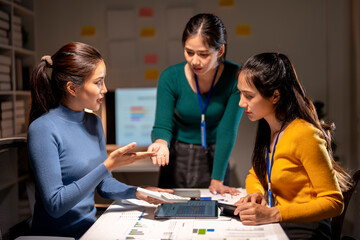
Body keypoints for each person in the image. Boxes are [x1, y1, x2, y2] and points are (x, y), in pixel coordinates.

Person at [27, 42, 172, 239]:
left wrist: (138, 191)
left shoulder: (93, 122)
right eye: (98, 82)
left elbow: (104, 184)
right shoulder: (43, 129)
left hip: (91, 230)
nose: (104, 89)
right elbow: (55, 204)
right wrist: (108, 165)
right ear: (72, 88)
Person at [234, 52, 352, 239]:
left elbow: (334, 202)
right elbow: (256, 172)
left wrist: (274, 213)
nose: (241, 103)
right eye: (240, 94)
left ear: (275, 96)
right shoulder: (270, 128)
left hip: (307, 230)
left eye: (248, 96)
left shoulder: (304, 134)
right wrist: (256, 193)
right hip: (282, 224)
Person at [148, 13, 243, 195]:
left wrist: (217, 179)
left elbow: (227, 130)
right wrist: (160, 143)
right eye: (189, 52)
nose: (195, 61)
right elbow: (162, 125)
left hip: (216, 154)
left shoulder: (236, 77)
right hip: (177, 154)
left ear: (220, 51)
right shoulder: (170, 77)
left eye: (204, 54)